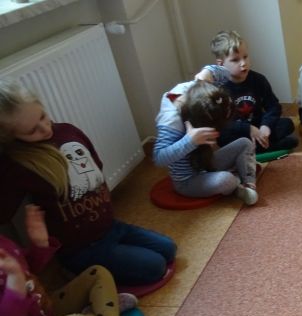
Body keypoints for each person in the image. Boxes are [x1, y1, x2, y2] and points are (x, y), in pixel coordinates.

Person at [0, 81, 177, 287]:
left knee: (169, 248)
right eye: (32, 131)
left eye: (42, 116)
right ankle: (77, 270)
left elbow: (96, 165)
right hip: (80, 249)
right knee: (156, 267)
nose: (45, 128)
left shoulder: (68, 131)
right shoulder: (16, 164)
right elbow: (3, 213)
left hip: (111, 227)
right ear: (11, 137)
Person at [0, 204, 140, 316]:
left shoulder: (3, 242)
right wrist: (14, 279)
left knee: (98, 272)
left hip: (46, 308)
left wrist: (39, 244)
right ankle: (102, 310)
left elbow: (30, 268)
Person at [153, 68, 259, 206]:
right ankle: (235, 184)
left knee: (244, 143)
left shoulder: (202, 89)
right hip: (188, 180)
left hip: (207, 163)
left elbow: (227, 73)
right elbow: (159, 158)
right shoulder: (171, 121)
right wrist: (190, 141)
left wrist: (208, 71)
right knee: (226, 180)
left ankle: (249, 184)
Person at [210, 30, 298, 153]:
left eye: (245, 57)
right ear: (221, 64)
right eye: (235, 60)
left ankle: (255, 147)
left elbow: (273, 106)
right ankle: (269, 146)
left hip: (258, 125)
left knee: (287, 124)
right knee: (223, 138)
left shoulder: (259, 79)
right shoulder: (218, 88)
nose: (243, 63)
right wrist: (249, 129)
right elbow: (223, 122)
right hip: (237, 131)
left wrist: (266, 126)